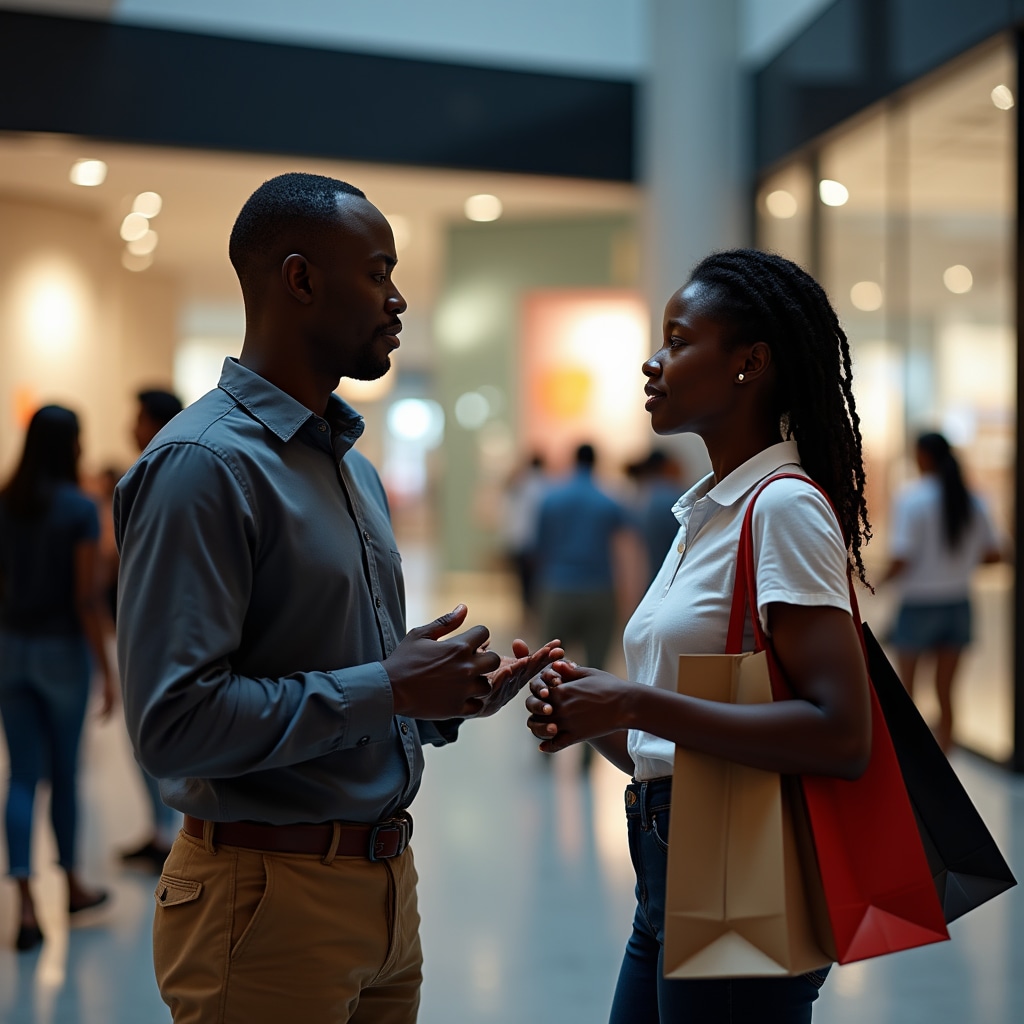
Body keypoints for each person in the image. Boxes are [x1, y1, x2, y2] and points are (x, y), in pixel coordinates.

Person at [114, 171, 560, 1023]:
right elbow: (173, 725)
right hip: (264, 901)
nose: (397, 301)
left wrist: (436, 693)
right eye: (378, 272)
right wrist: (389, 686)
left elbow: (339, 679)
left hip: (385, 889)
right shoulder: (204, 466)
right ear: (300, 278)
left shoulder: (350, 467)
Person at [527, 248, 874, 1023]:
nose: (654, 363)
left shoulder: (781, 508)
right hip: (671, 867)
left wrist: (632, 702)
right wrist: (594, 715)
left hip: (734, 874)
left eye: (679, 340)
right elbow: (672, 755)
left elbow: (841, 735)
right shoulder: (704, 516)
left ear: (750, 362)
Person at [0, 405, 116, 951]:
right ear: (72, 444)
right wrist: (108, 671)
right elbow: (87, 596)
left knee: (22, 776)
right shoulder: (78, 508)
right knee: (64, 774)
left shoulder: (6, 501)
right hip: (62, 651)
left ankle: (24, 904)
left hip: (10, 647)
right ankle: (69, 883)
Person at [882, 431, 1003, 753]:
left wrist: (875, 582)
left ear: (923, 456)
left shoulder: (911, 498)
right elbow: (996, 554)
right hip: (958, 603)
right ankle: (945, 760)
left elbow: (901, 558)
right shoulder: (973, 499)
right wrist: (959, 563)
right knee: (946, 692)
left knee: (906, 692)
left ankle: (908, 759)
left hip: (919, 605)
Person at [533, 443, 640, 768]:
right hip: (599, 590)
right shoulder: (609, 500)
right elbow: (625, 550)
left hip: (558, 587)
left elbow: (539, 548)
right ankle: (587, 754)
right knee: (595, 670)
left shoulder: (551, 498)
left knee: (548, 670)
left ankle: (546, 742)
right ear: (596, 463)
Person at [117, 388, 186, 871]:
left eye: (137, 417)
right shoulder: (149, 471)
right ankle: (162, 830)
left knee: (163, 733)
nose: (130, 427)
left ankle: (173, 832)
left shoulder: (178, 468)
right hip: (146, 626)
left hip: (171, 630)